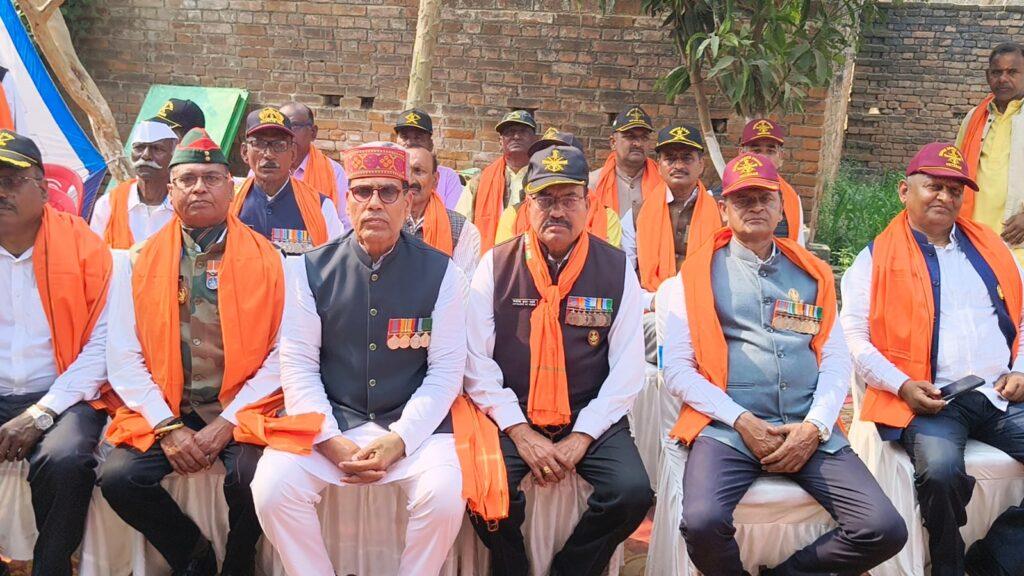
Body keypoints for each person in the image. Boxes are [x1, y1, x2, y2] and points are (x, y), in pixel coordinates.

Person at [659, 152, 907, 576]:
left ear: (780, 207)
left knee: (883, 528)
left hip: (806, 424)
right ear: (724, 209)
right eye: (743, 199)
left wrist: (814, 427)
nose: (755, 207)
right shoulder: (694, 276)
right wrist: (741, 421)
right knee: (701, 522)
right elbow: (678, 370)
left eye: (765, 198)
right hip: (728, 428)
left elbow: (834, 359)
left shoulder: (812, 274)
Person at [251, 144, 468, 576]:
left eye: (388, 192)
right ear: (347, 200)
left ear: (408, 199)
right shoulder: (309, 269)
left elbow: (446, 370)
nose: (374, 203)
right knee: (272, 488)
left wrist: (400, 439)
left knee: (445, 496)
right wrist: (328, 438)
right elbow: (298, 363)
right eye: (363, 191)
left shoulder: (443, 272)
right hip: (332, 419)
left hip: (414, 426)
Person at [101, 129, 292, 576]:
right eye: (187, 179)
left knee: (253, 479)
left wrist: (227, 424)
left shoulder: (272, 260)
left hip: (240, 409)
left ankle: (239, 563)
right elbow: (123, 355)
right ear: (171, 191)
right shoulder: (136, 261)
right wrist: (167, 428)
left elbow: (284, 354)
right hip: (168, 407)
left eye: (211, 178)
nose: (199, 188)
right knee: (119, 479)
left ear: (231, 187)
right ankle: (193, 556)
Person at [464, 144, 653, 576]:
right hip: (512, 413)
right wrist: (519, 430)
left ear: (588, 204)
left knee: (632, 493)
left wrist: (583, 435)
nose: (557, 211)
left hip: (589, 411)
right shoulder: (495, 266)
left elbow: (627, 368)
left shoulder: (616, 268)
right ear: (526, 205)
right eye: (545, 199)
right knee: (483, 491)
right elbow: (476, 362)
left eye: (569, 199)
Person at [842, 142, 1024, 575]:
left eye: (955, 190)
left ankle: (996, 558)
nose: (945, 196)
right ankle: (947, 566)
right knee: (940, 474)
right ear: (904, 191)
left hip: (1000, 395)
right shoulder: (873, 260)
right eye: (934, 186)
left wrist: (1020, 370)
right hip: (931, 400)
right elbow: (854, 338)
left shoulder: (993, 249)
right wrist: (901, 385)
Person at [0, 129, 113, 576]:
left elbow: (103, 344)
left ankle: (52, 567)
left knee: (65, 460)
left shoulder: (85, 248)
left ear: (44, 190)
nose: (1, 191)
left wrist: (42, 412)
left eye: (12, 180)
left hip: (62, 392)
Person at [621, 124, 721, 364]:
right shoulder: (637, 214)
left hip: (706, 310)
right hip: (651, 311)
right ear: (659, 165)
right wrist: (653, 301)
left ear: (701, 165)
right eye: (670, 158)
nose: (678, 165)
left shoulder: (721, 213)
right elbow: (623, 278)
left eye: (687, 158)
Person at [233, 107, 343, 255]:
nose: (269, 154)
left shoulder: (320, 206)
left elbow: (335, 261)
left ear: (293, 154)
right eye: (259, 144)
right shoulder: (229, 203)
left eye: (279, 145)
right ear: (245, 152)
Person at [495, 129, 623, 247]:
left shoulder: (606, 217)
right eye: (543, 156)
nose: (552, 161)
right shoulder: (513, 216)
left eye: (563, 155)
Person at [958, 42, 1024, 265]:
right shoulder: (974, 118)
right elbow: (956, 172)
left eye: (1012, 72)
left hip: (1017, 240)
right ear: (988, 76)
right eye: (996, 72)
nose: (1003, 79)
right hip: (973, 236)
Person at [456, 109, 538, 253]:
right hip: (488, 258)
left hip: (533, 256)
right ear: (501, 142)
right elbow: (461, 227)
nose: (516, 136)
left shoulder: (544, 180)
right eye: (509, 132)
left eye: (523, 131)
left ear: (535, 140)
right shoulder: (479, 182)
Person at [90, 120, 178, 247]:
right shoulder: (108, 204)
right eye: (139, 148)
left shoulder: (183, 205)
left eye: (157, 149)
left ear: (173, 157)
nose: (146, 155)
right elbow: (93, 253)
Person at [404, 145, 481, 282]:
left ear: (435, 180)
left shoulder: (461, 228)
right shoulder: (385, 220)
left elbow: (463, 285)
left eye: (418, 171)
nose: (410, 180)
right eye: (405, 171)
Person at [279, 101, 350, 230]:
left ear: (313, 132)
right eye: (281, 127)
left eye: (294, 126)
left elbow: (345, 224)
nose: (287, 133)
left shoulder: (334, 172)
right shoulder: (265, 169)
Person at [739, 118, 805, 245]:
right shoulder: (718, 197)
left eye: (770, 151)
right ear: (741, 154)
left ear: (781, 157)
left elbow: (798, 248)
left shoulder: (792, 199)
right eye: (756, 151)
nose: (763, 158)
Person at [589, 104, 660, 218]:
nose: (638, 143)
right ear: (613, 143)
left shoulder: (664, 181)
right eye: (630, 136)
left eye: (644, 137)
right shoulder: (593, 184)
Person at [394, 107, 465, 209]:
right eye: (405, 137)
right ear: (396, 141)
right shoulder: (386, 173)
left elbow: (451, 215)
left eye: (418, 137)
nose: (410, 142)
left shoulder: (448, 177)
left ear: (430, 144)